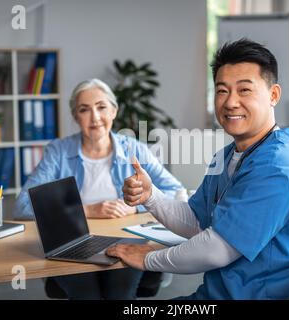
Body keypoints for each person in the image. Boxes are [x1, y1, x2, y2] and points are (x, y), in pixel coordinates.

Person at [106, 39, 289, 299]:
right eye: (222, 91)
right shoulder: (227, 155)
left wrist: (148, 258)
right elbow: (197, 220)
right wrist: (151, 196)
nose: (231, 102)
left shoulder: (278, 167)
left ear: (273, 95)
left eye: (244, 90)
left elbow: (216, 249)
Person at [14, 78, 182, 299]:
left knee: (120, 292)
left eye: (102, 107)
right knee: (86, 294)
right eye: (84, 109)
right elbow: (22, 206)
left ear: (114, 111)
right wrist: (86, 210)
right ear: (76, 116)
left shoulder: (134, 149)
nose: (95, 117)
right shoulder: (58, 152)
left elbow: (175, 191)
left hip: (127, 240)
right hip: (73, 241)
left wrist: (135, 208)